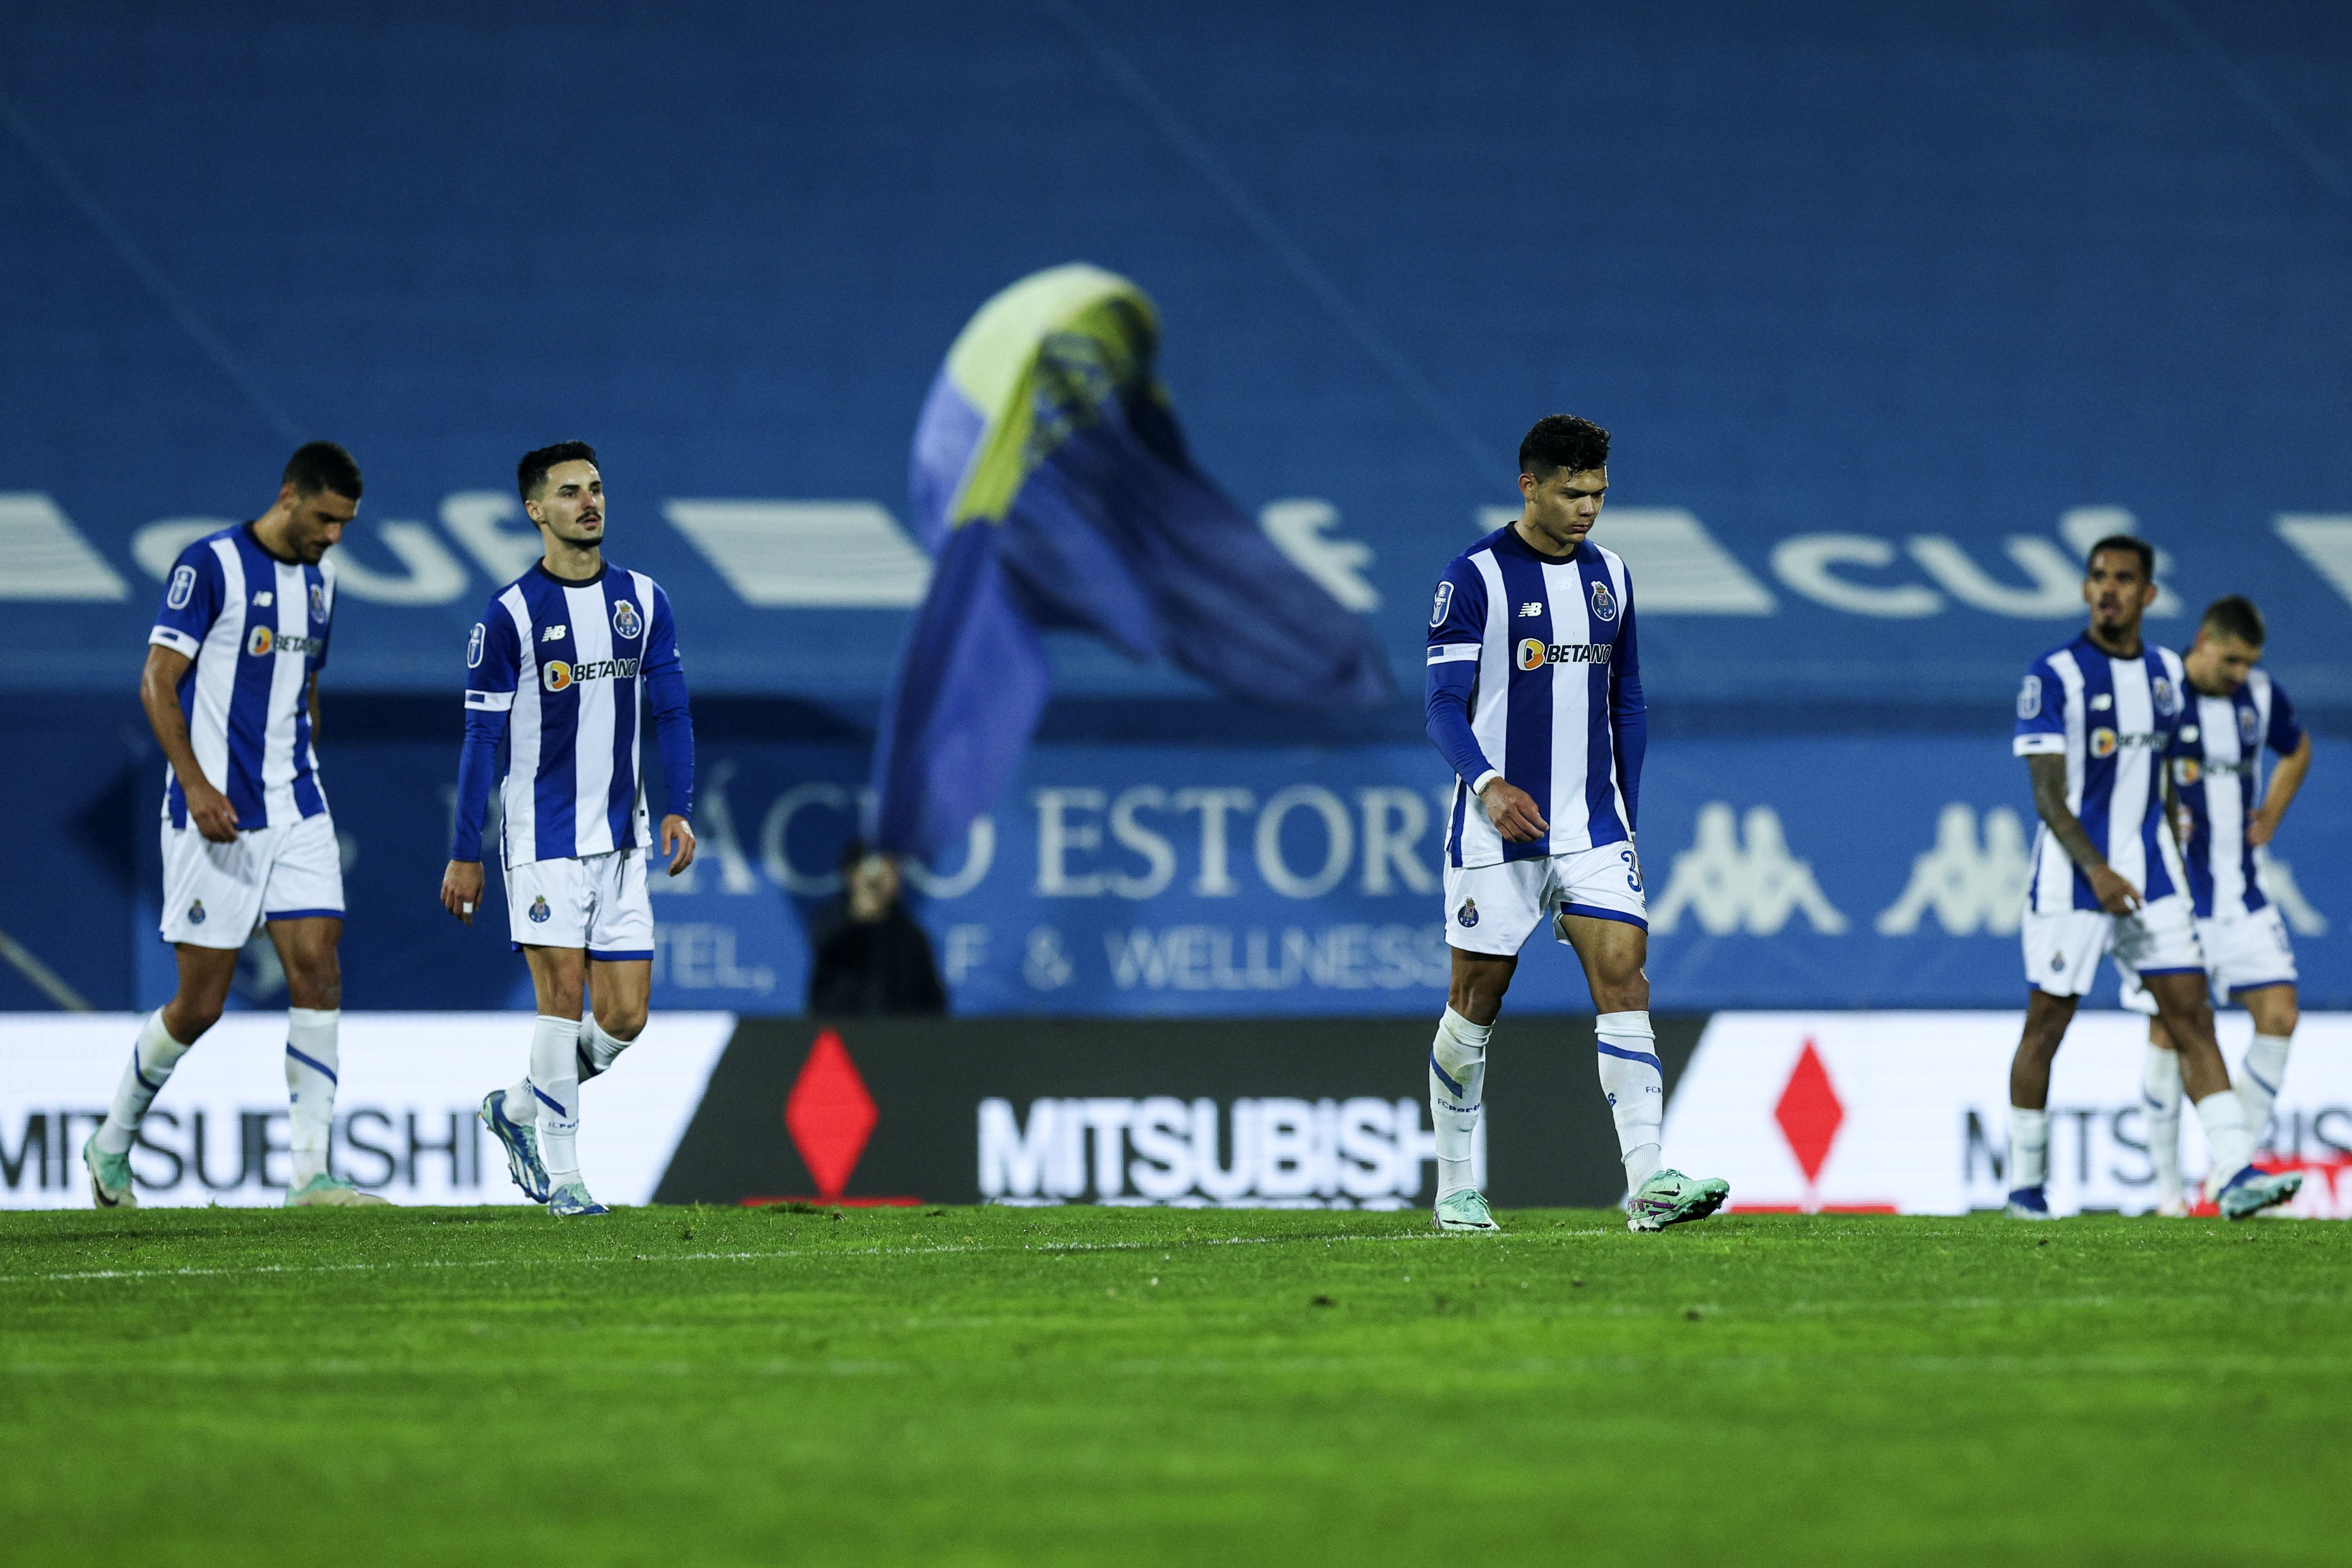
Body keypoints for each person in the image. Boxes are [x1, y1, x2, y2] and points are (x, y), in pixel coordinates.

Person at [1421, 415, 1729, 1234]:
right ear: (1529, 484)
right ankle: (1456, 1184)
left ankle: (1649, 1181)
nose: (1587, 507)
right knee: (1475, 1000)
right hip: (1500, 828)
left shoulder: (1614, 578)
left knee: (1626, 982)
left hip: (1593, 826)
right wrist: (1486, 785)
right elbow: (1443, 706)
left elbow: (1626, 700)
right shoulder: (1475, 578)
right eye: (1571, 491)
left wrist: (1625, 809)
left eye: (1598, 492)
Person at [84, 441, 385, 1209]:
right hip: (213, 811)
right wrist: (193, 782)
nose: (334, 537)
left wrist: (302, 752)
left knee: (319, 969)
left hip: (298, 805)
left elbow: (306, 686)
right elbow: (159, 678)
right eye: (325, 519)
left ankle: (310, 1175)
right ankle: (111, 1139)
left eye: (346, 524)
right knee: (201, 1003)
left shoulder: (322, 587)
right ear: (289, 496)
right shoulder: (210, 564)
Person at [2006, 541, 2299, 1220]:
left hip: (2154, 881)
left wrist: (2167, 837)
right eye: (2099, 578)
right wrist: (2097, 868)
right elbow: (2048, 797)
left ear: (2148, 595)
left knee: (2191, 1016)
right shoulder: (2052, 675)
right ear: (2085, 591)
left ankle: (2232, 1172)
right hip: (2072, 880)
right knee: (2046, 1027)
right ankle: (2025, 1186)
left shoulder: (2168, 674)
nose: (2108, 590)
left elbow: (2167, 772)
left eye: (2124, 580)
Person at [440, 441, 696, 1217]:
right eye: (570, 493)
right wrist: (465, 852)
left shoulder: (643, 600)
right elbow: (480, 740)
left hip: (622, 837)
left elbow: (672, 709)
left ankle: (518, 1107)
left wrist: (678, 803)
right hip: (543, 834)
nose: (590, 502)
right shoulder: (512, 613)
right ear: (535, 510)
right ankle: (566, 1180)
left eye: (596, 489)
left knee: (623, 1016)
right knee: (560, 997)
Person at [2119, 595, 2312, 1215]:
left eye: (2247, 663)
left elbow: (2297, 748)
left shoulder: (2259, 696)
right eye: (2230, 661)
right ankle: (2168, 1194)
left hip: (2243, 894)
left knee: (2279, 1016)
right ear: (2203, 640)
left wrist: (2273, 811)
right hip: (2174, 897)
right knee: (2169, 1031)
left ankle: (2230, 1172)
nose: (2238, 675)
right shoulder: (2158, 692)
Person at [807, 842, 948, 1015]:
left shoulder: (911, 936)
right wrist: (861, 916)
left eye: (890, 871)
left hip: (898, 1035)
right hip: (844, 1032)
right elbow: (828, 967)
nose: (879, 880)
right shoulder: (830, 924)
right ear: (852, 875)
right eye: (871, 870)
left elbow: (931, 1001)